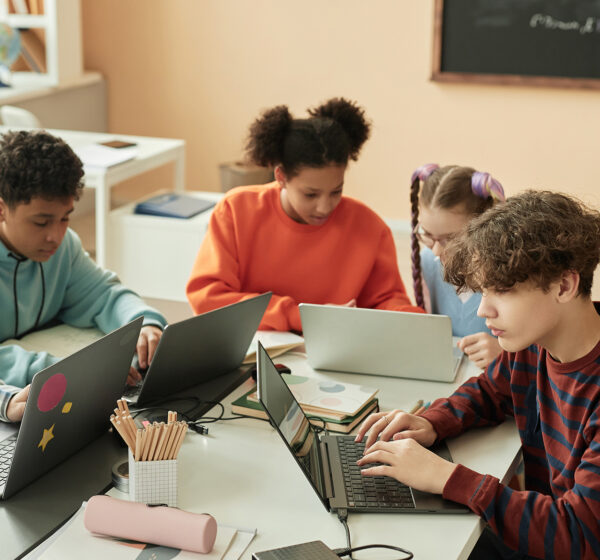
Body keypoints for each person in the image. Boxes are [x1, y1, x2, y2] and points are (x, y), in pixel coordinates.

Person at [355, 190, 600, 559]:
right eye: (483, 290)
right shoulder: (535, 345)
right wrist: (432, 423)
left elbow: (578, 533)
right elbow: (490, 390)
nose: (484, 310)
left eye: (502, 291)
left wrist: (445, 477)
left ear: (564, 286)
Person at [187, 97, 422, 331]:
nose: (325, 206)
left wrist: (415, 321)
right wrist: (301, 316)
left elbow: (386, 301)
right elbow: (208, 300)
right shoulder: (235, 211)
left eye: (336, 191)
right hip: (251, 353)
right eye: (311, 194)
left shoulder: (370, 227)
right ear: (281, 177)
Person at [0, 130, 168, 422]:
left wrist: (144, 325)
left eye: (65, 217)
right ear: (1, 208)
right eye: (41, 222)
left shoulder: (64, 247)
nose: (56, 235)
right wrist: (66, 370)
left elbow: (104, 294)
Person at [410, 163, 505, 368]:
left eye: (451, 238)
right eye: (427, 235)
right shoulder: (428, 261)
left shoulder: (510, 271)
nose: (436, 251)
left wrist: (505, 355)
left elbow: (544, 351)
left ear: (484, 225)